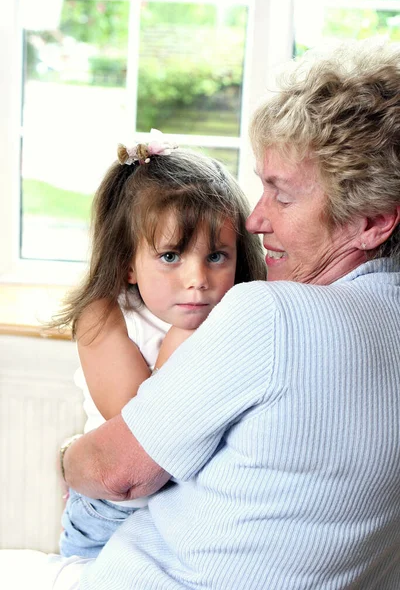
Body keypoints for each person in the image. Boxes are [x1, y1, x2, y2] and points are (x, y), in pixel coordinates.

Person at [1, 38, 400, 590]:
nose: (256, 221)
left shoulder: (272, 317)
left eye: (282, 196)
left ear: (374, 221)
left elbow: (118, 472)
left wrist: (69, 457)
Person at [52, 131, 266, 558]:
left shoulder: (238, 313)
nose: (197, 279)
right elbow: (142, 422)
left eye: (216, 256)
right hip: (111, 513)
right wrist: (183, 336)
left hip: (186, 507)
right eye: (171, 256)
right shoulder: (106, 314)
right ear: (128, 263)